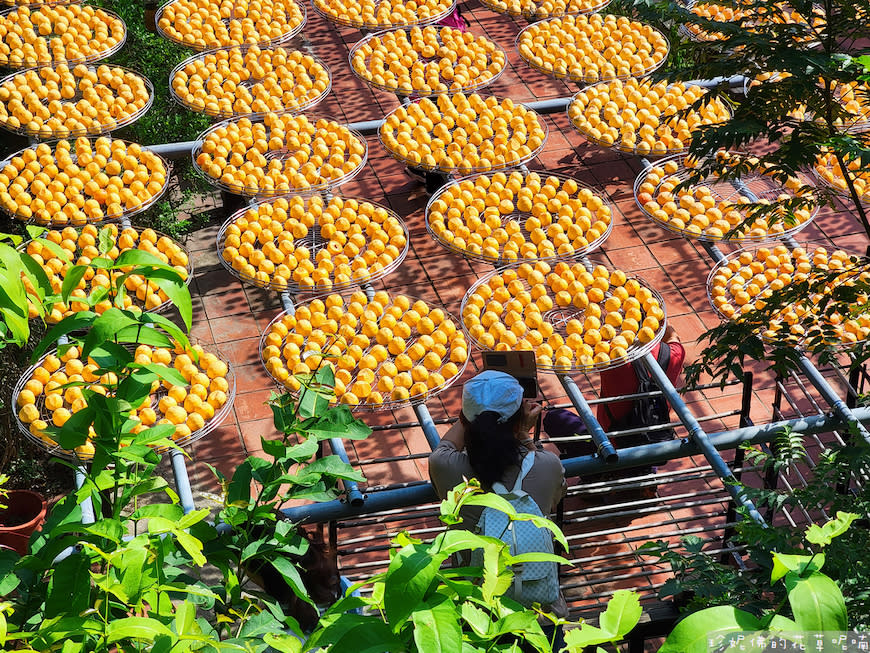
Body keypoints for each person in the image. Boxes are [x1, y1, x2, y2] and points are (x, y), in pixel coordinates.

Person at [429, 370, 568, 623]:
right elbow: (553, 495)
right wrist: (524, 434)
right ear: (520, 422)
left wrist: (473, 414)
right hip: (541, 617)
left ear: (465, 419)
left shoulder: (446, 468)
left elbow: (445, 447)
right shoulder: (548, 466)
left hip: (475, 618)